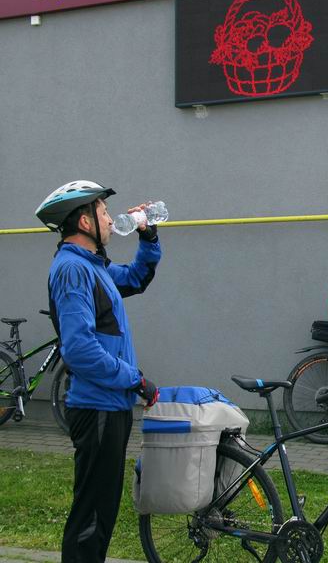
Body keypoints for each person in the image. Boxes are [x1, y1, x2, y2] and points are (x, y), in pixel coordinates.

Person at [35, 181, 162, 563]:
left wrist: (149, 234)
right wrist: (135, 379)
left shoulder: (94, 266)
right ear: (84, 221)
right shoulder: (73, 269)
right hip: (97, 406)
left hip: (111, 404)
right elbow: (79, 348)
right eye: (104, 212)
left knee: (101, 510)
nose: (110, 219)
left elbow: (137, 278)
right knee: (92, 514)